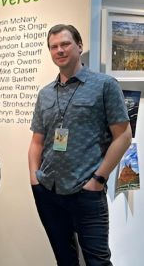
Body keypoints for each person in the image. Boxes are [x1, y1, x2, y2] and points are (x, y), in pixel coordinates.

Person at [28, 24, 132, 266]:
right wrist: (35, 179)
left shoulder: (105, 85)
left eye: (65, 44)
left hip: (86, 192)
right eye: (54, 47)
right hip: (48, 190)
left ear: (79, 46)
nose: (60, 50)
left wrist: (98, 180)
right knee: (64, 259)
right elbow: (36, 142)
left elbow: (123, 136)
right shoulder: (45, 93)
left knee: (98, 261)